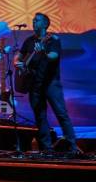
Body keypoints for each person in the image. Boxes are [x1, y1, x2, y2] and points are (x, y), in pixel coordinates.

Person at [13, 12, 78, 153]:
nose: (34, 22)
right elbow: (20, 54)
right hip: (34, 84)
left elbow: (54, 56)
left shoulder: (52, 40)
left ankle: (73, 147)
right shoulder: (29, 41)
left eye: (37, 20)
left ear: (45, 24)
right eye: (33, 20)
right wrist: (17, 62)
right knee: (40, 117)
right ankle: (47, 149)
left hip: (51, 83)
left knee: (61, 114)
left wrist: (42, 52)